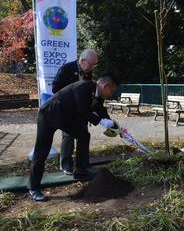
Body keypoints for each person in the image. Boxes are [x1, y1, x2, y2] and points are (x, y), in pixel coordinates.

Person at [28, 71, 119, 201]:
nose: (111, 94)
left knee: (83, 135)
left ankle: (80, 170)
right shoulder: (84, 87)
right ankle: (33, 188)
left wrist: (115, 127)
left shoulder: (98, 96)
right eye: (112, 90)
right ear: (105, 86)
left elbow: (101, 111)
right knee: (42, 151)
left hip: (66, 117)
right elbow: (82, 110)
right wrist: (101, 122)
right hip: (49, 114)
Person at [52, 49, 98, 175]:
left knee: (84, 135)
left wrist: (89, 112)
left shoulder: (88, 73)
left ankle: (83, 165)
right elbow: (55, 88)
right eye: (91, 64)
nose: (92, 67)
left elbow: (88, 93)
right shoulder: (65, 69)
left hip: (82, 109)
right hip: (67, 109)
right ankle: (66, 165)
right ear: (82, 60)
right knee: (68, 136)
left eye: (95, 65)